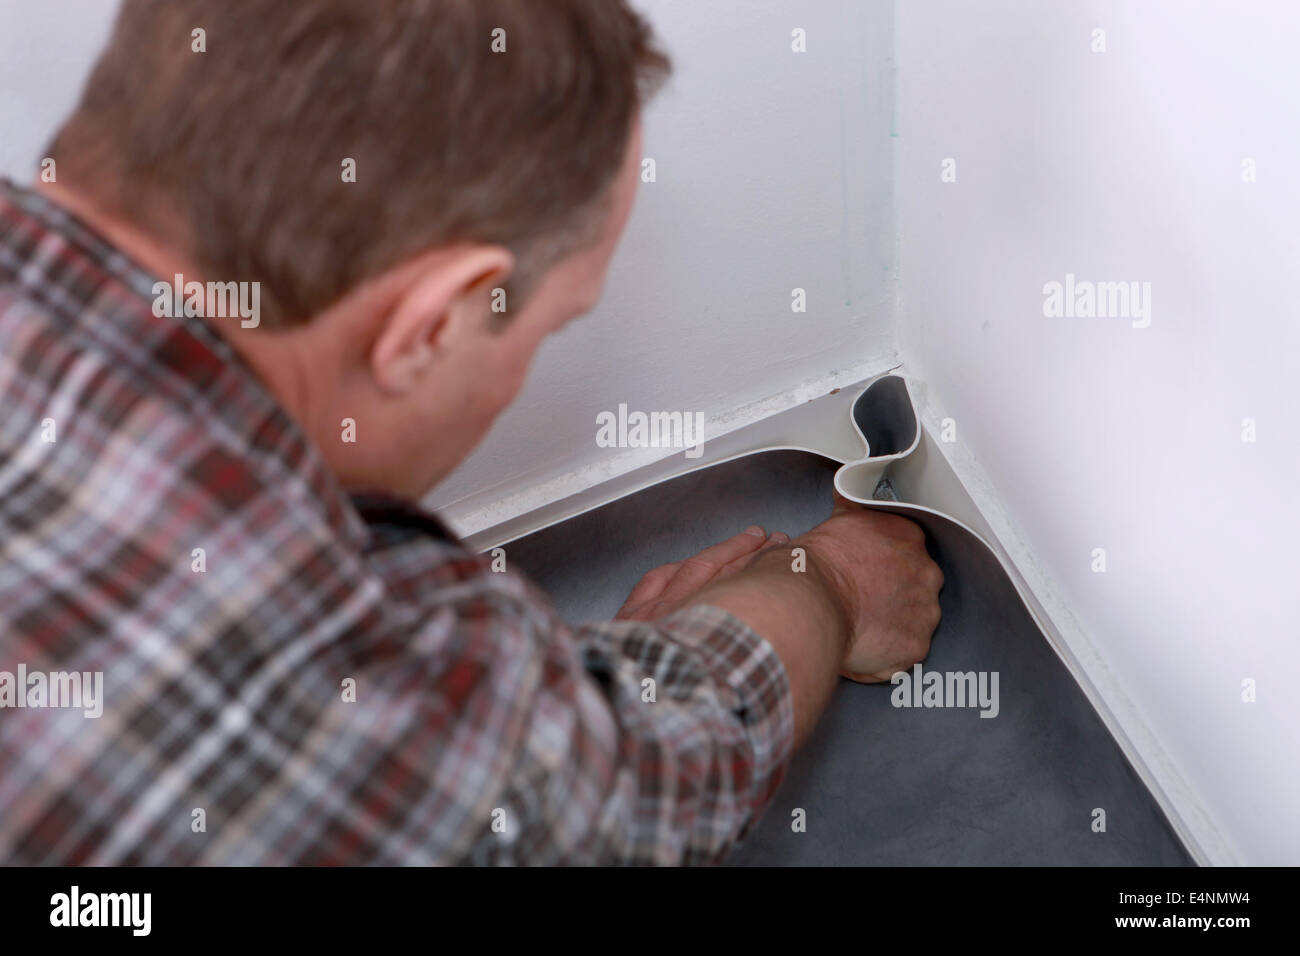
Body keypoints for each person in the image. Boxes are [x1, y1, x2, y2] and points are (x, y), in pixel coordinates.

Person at [0, 0, 942, 865]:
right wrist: (835, 586)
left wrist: (526, 709)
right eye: (550, 327)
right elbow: (625, 803)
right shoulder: (298, 646)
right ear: (432, 326)